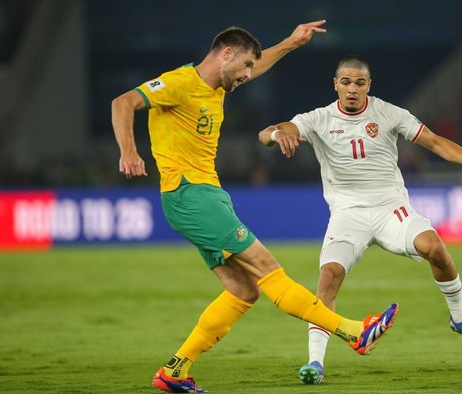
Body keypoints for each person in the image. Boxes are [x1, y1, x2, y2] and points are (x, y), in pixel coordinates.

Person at [111, 25, 399, 393]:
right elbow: (123, 102)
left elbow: (259, 65)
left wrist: (292, 44)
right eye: (246, 64)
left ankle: (174, 371)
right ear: (226, 53)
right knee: (268, 269)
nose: (249, 74)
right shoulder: (179, 83)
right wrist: (129, 151)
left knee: (243, 290)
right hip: (190, 194)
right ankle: (353, 332)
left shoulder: (217, 86)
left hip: (207, 196)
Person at [258, 56, 462, 385]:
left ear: (369, 85)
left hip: (391, 208)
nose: (352, 89)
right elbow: (269, 132)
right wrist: (277, 135)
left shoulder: (389, 113)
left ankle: (460, 320)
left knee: (435, 247)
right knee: (328, 277)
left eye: (360, 82)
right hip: (348, 214)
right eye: (346, 82)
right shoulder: (318, 119)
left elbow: (434, 141)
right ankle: (315, 363)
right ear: (336, 84)